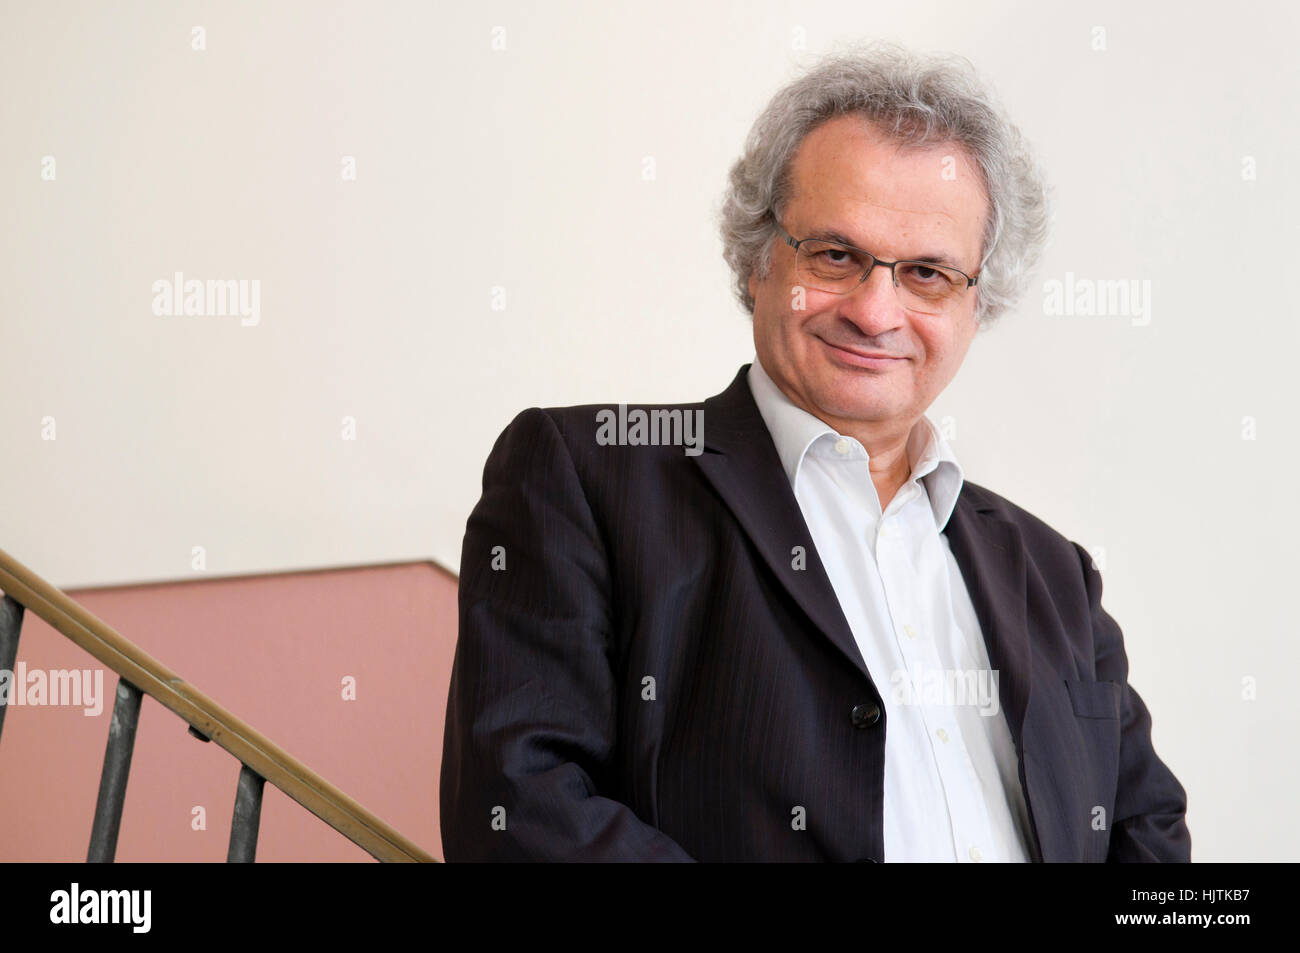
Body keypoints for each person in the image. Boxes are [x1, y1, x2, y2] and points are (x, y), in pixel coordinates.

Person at [439, 42, 1191, 862]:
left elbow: (1146, 835)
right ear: (759, 256)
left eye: (929, 274)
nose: (876, 311)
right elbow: (518, 810)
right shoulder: (586, 476)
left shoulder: (1055, 574)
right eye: (837, 256)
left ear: (981, 300)